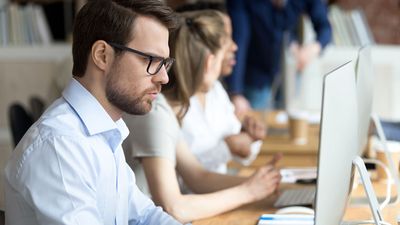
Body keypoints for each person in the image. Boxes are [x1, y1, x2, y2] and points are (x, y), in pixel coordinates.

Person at [4, 1, 181, 224]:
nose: (164, 77)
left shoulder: (106, 132)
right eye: (151, 60)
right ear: (102, 55)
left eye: (164, 63)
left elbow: (144, 216)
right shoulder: (60, 146)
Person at [123, 10, 281, 223]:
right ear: (209, 62)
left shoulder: (167, 110)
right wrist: (248, 191)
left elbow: (197, 177)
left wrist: (259, 184)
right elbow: (173, 207)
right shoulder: (155, 111)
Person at [175, 2, 267, 174]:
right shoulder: (169, 102)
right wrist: (228, 148)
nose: (234, 46)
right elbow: (182, 177)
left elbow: (242, 153)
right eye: (224, 38)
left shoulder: (216, 90)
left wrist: (248, 136)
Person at [225, 0, 332, 113]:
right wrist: (235, 92)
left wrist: (312, 49)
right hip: (255, 75)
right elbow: (239, 40)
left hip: (289, 71)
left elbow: (325, 28)